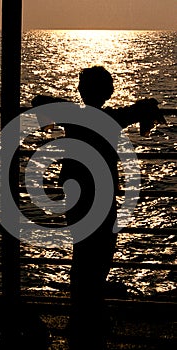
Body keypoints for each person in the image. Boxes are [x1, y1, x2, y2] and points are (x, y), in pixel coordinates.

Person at [31, 66, 166, 349]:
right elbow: (134, 111)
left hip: (77, 196)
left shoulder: (75, 115)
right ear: (108, 92)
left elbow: (38, 102)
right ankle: (89, 313)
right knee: (101, 253)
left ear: (82, 90)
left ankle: (82, 313)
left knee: (83, 254)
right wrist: (146, 108)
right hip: (102, 197)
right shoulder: (110, 118)